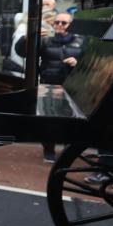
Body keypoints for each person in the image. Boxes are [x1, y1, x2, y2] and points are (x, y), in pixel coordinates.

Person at [39, 12, 84, 162]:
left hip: (72, 87)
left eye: (63, 23)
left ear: (71, 25)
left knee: (70, 120)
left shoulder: (81, 42)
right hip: (49, 85)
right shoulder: (45, 40)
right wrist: (29, 37)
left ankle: (67, 152)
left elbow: (89, 65)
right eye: (56, 22)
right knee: (48, 120)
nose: (58, 25)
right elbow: (23, 51)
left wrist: (77, 63)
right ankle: (48, 151)